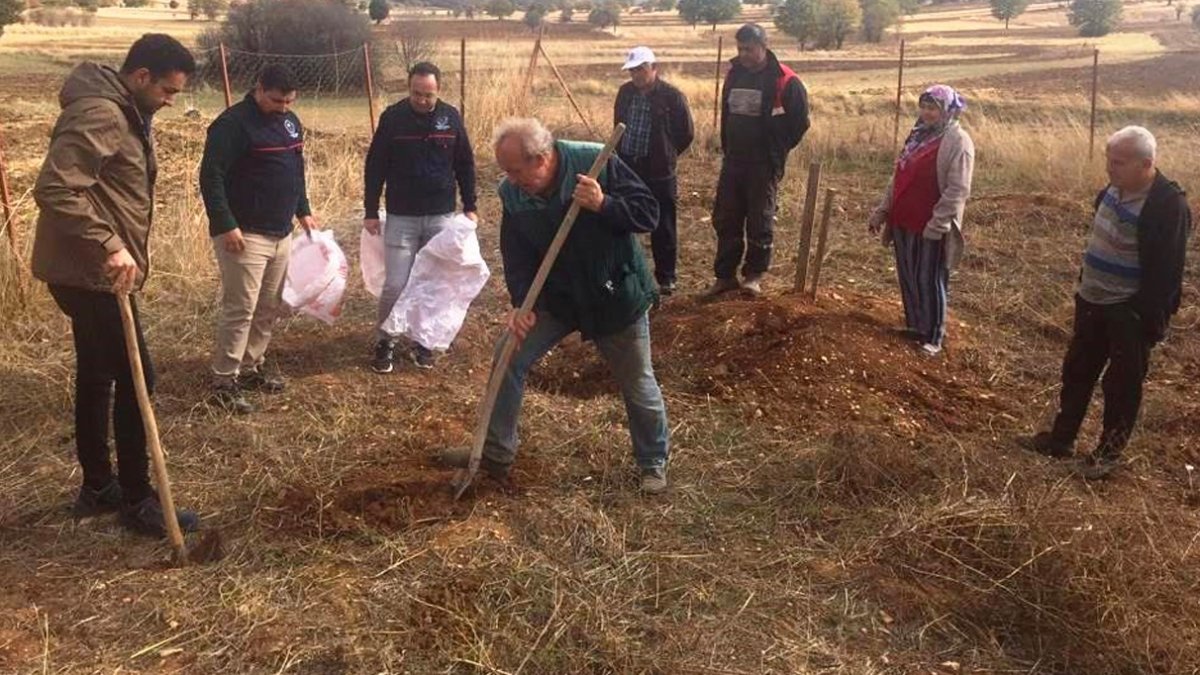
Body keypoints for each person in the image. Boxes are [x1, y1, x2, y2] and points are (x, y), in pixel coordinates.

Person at [439, 118, 671, 494]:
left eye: (516, 170)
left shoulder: (596, 162)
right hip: (558, 298)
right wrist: (521, 303)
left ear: (542, 158)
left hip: (613, 292)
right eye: (506, 171)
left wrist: (604, 203)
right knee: (508, 356)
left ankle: (652, 461)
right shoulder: (512, 193)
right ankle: (495, 453)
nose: (511, 179)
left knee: (637, 381)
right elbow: (516, 255)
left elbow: (649, 214)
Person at [31, 34, 200, 537]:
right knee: (136, 376)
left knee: (98, 372)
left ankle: (98, 486)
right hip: (88, 272)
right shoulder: (103, 113)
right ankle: (137, 499)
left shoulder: (125, 110)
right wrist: (108, 243)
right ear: (141, 76)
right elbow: (54, 187)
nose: (171, 101)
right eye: (168, 91)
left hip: (90, 270)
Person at [1025, 126, 1191, 480]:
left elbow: (1167, 272)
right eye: (1108, 160)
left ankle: (1107, 455)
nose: (1109, 168)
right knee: (1077, 371)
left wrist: (1142, 316)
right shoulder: (1112, 190)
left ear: (1146, 164)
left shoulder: (1167, 206)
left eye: (1118, 162)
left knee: (1121, 385)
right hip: (1092, 300)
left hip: (1128, 310)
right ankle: (1061, 439)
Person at [200, 64, 319, 414]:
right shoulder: (232, 125)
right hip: (244, 234)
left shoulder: (290, 122)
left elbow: (295, 170)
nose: (283, 107)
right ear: (259, 88)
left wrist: (303, 210)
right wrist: (225, 223)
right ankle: (225, 379)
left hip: (281, 231)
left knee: (268, 306)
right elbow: (211, 176)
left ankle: (251, 366)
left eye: (289, 101)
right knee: (241, 308)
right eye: (277, 100)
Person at [364, 61, 477, 372]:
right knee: (396, 283)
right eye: (417, 94)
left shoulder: (450, 117)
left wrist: (470, 205)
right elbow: (375, 165)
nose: (423, 100)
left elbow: (464, 163)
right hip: (402, 216)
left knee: (433, 282)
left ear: (438, 90)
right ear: (409, 88)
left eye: (429, 95)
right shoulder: (393, 118)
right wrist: (371, 210)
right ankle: (385, 340)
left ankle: (423, 340)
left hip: (441, 215)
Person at [868, 84, 975, 357]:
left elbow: (958, 190)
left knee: (930, 278)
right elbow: (898, 176)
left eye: (933, 108)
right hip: (904, 220)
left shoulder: (958, 141)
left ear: (947, 110)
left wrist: (938, 223)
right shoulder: (917, 135)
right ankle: (916, 326)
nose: (927, 113)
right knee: (909, 275)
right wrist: (883, 210)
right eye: (924, 107)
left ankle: (934, 336)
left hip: (931, 224)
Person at [705, 23, 810, 298]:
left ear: (764, 47)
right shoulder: (734, 74)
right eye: (740, 49)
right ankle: (725, 276)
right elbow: (726, 114)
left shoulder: (785, 80)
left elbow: (800, 123)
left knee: (759, 220)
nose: (743, 54)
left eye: (748, 49)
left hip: (764, 164)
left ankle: (753, 276)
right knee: (726, 218)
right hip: (734, 160)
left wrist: (777, 149)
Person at [614, 46, 694, 297]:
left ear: (654, 68)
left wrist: (666, 154)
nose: (636, 75)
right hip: (628, 166)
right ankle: (627, 273)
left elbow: (685, 133)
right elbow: (617, 125)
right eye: (632, 71)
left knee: (663, 223)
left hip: (658, 169)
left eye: (641, 69)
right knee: (624, 217)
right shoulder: (625, 93)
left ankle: (666, 278)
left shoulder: (672, 97)